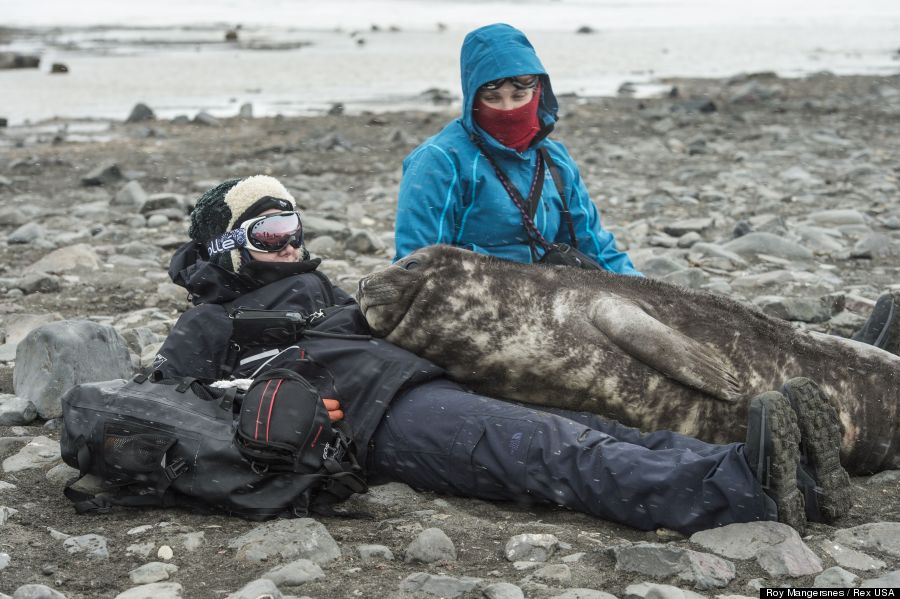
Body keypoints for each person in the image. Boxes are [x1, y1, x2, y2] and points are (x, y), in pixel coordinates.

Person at [151, 175, 851, 534]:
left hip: (417, 382)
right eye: (269, 231)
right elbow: (175, 418)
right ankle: (739, 492)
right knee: (550, 450)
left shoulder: (319, 286)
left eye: (293, 224)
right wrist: (274, 424)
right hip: (366, 423)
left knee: (601, 430)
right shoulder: (207, 326)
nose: (291, 241)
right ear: (227, 247)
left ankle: (781, 474)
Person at [394, 23, 640, 274]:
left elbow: (596, 248)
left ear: (538, 92)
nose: (508, 109)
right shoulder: (439, 161)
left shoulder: (555, 161)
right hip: (468, 301)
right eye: (492, 99)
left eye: (518, 97)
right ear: (472, 98)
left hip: (552, 298)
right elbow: (415, 266)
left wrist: (648, 295)